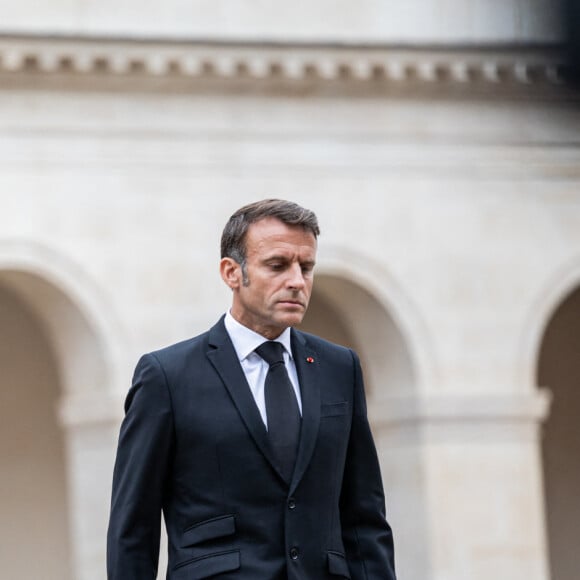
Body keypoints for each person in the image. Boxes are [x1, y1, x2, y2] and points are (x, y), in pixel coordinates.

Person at [107, 199, 397, 579]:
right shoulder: (167, 376)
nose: (296, 281)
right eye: (277, 265)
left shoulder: (340, 368)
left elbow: (364, 519)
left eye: (306, 267)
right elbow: (133, 528)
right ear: (231, 272)